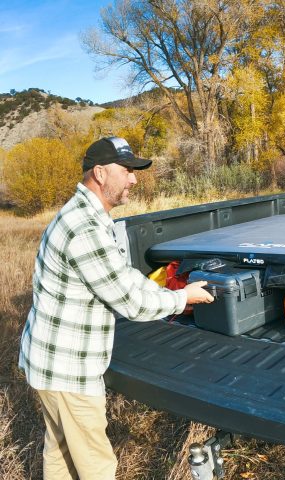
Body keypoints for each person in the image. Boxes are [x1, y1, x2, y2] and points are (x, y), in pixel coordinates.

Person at [18, 136, 214, 480]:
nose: (134, 179)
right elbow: (132, 301)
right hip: (68, 371)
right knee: (97, 467)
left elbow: (122, 277)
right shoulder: (85, 228)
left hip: (51, 365)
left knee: (62, 456)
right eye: (127, 170)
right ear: (100, 173)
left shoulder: (86, 217)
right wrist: (183, 299)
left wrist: (166, 288)